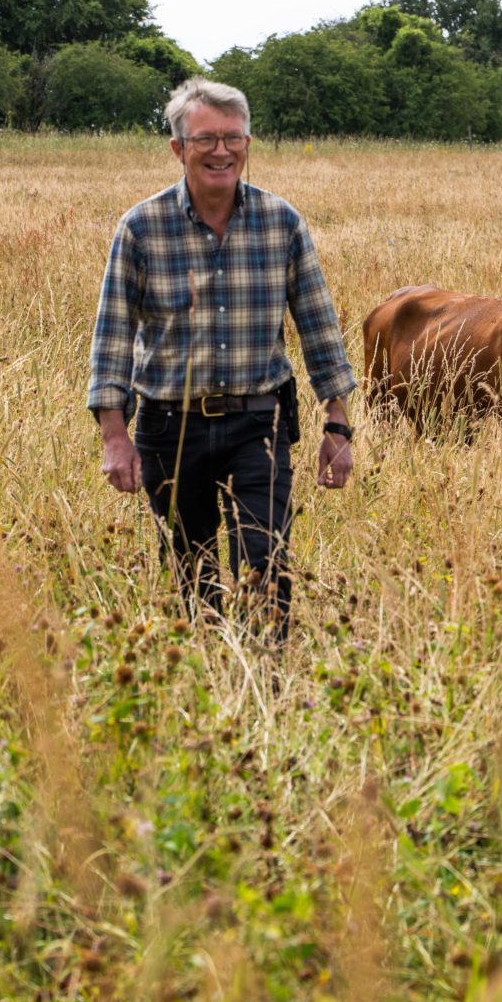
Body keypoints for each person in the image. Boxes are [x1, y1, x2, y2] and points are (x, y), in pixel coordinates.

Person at [87, 77, 357, 635]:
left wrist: (338, 427)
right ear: (178, 148)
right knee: (192, 574)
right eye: (205, 138)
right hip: (169, 426)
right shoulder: (141, 227)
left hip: (259, 422)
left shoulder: (281, 223)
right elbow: (112, 336)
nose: (220, 151)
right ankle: (207, 682)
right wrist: (116, 436)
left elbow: (319, 327)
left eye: (233, 138)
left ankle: (270, 686)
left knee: (266, 564)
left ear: (247, 143)